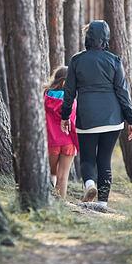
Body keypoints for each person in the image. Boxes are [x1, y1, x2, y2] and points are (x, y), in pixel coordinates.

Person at [61, 20, 132, 205]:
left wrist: (65, 116)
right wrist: (131, 120)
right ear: (106, 38)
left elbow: (69, 92)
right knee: (104, 160)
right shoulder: (114, 60)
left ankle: (89, 185)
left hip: (87, 118)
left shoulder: (77, 60)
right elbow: (122, 92)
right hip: (112, 119)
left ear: (88, 37)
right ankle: (102, 203)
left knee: (87, 158)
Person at [44, 66, 79, 199]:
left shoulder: (45, 97)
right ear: (65, 82)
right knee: (63, 177)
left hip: (51, 142)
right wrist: (77, 144)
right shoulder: (71, 101)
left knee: (51, 174)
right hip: (68, 143)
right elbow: (73, 124)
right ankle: (61, 207)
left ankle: (50, 202)